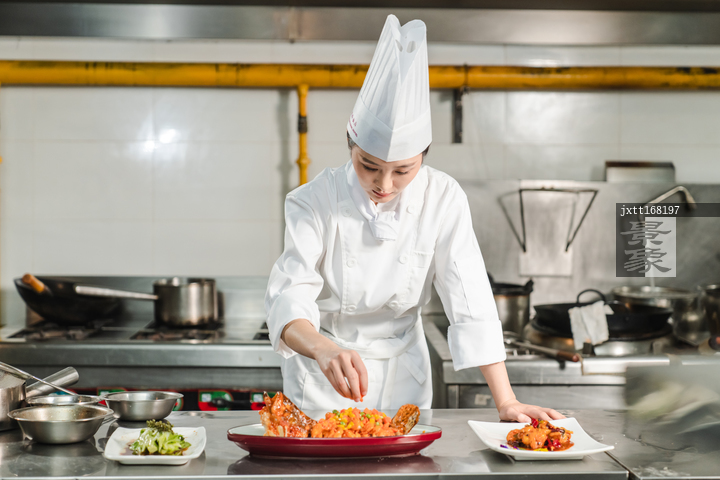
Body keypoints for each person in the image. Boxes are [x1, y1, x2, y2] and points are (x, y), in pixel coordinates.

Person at [266, 14, 563, 423]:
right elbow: (288, 297)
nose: (384, 184)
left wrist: (506, 401)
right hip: (323, 382)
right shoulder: (312, 200)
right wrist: (323, 349)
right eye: (368, 166)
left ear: (423, 156)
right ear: (350, 144)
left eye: (403, 170)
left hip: (404, 380)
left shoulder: (443, 198)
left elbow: (470, 299)